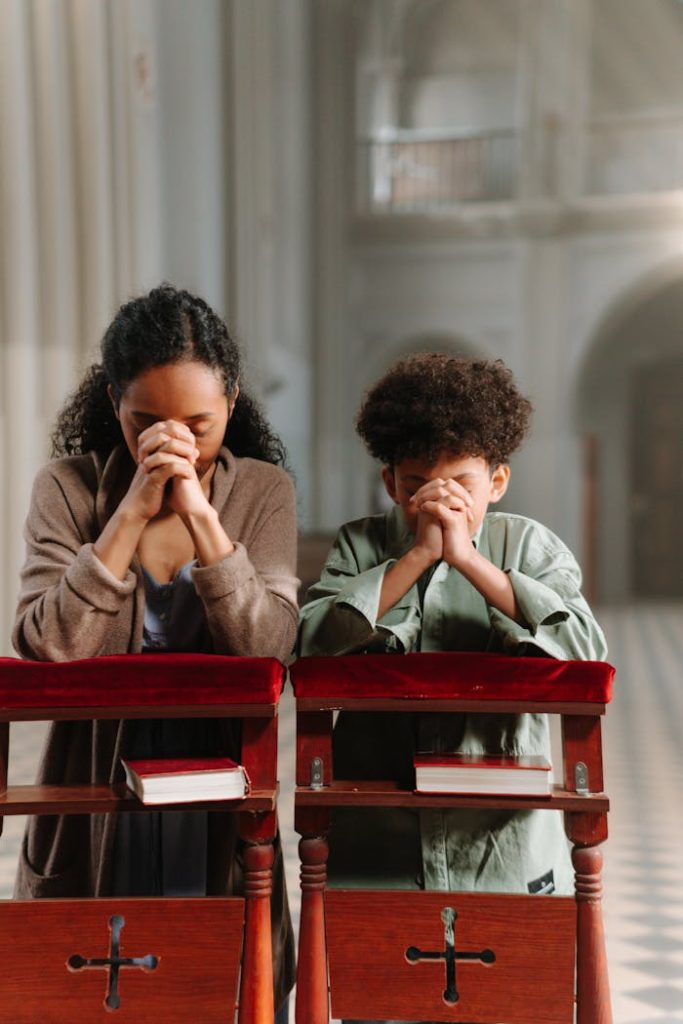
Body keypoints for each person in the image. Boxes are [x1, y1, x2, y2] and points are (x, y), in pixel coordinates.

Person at [13, 283, 297, 1021]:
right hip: (97, 774)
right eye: (146, 422)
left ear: (230, 403)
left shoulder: (262, 491)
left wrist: (202, 518)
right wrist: (133, 512)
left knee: (219, 980)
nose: (173, 444)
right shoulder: (67, 489)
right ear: (114, 404)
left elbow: (266, 643)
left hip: (217, 777)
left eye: (196, 425)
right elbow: (47, 642)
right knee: (95, 985)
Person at [298, 353, 608, 1024]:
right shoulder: (357, 547)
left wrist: (467, 558)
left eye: (460, 483)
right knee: (371, 997)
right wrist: (415, 558)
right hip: (378, 838)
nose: (439, 501)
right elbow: (311, 645)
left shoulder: (531, 549)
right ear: (388, 482)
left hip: (500, 839)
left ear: (496, 480)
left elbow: (584, 653)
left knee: (513, 1000)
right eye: (417, 484)